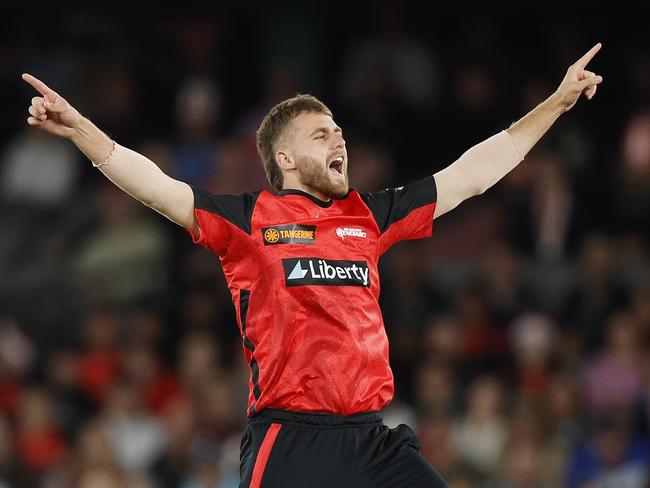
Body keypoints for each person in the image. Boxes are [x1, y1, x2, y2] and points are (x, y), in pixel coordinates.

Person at [21, 42, 603, 488]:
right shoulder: (250, 220)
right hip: (290, 440)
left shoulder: (368, 216)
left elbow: (470, 175)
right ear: (285, 157)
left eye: (340, 131)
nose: (338, 139)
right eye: (321, 133)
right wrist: (82, 132)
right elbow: (158, 189)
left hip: (373, 439)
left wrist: (556, 102)